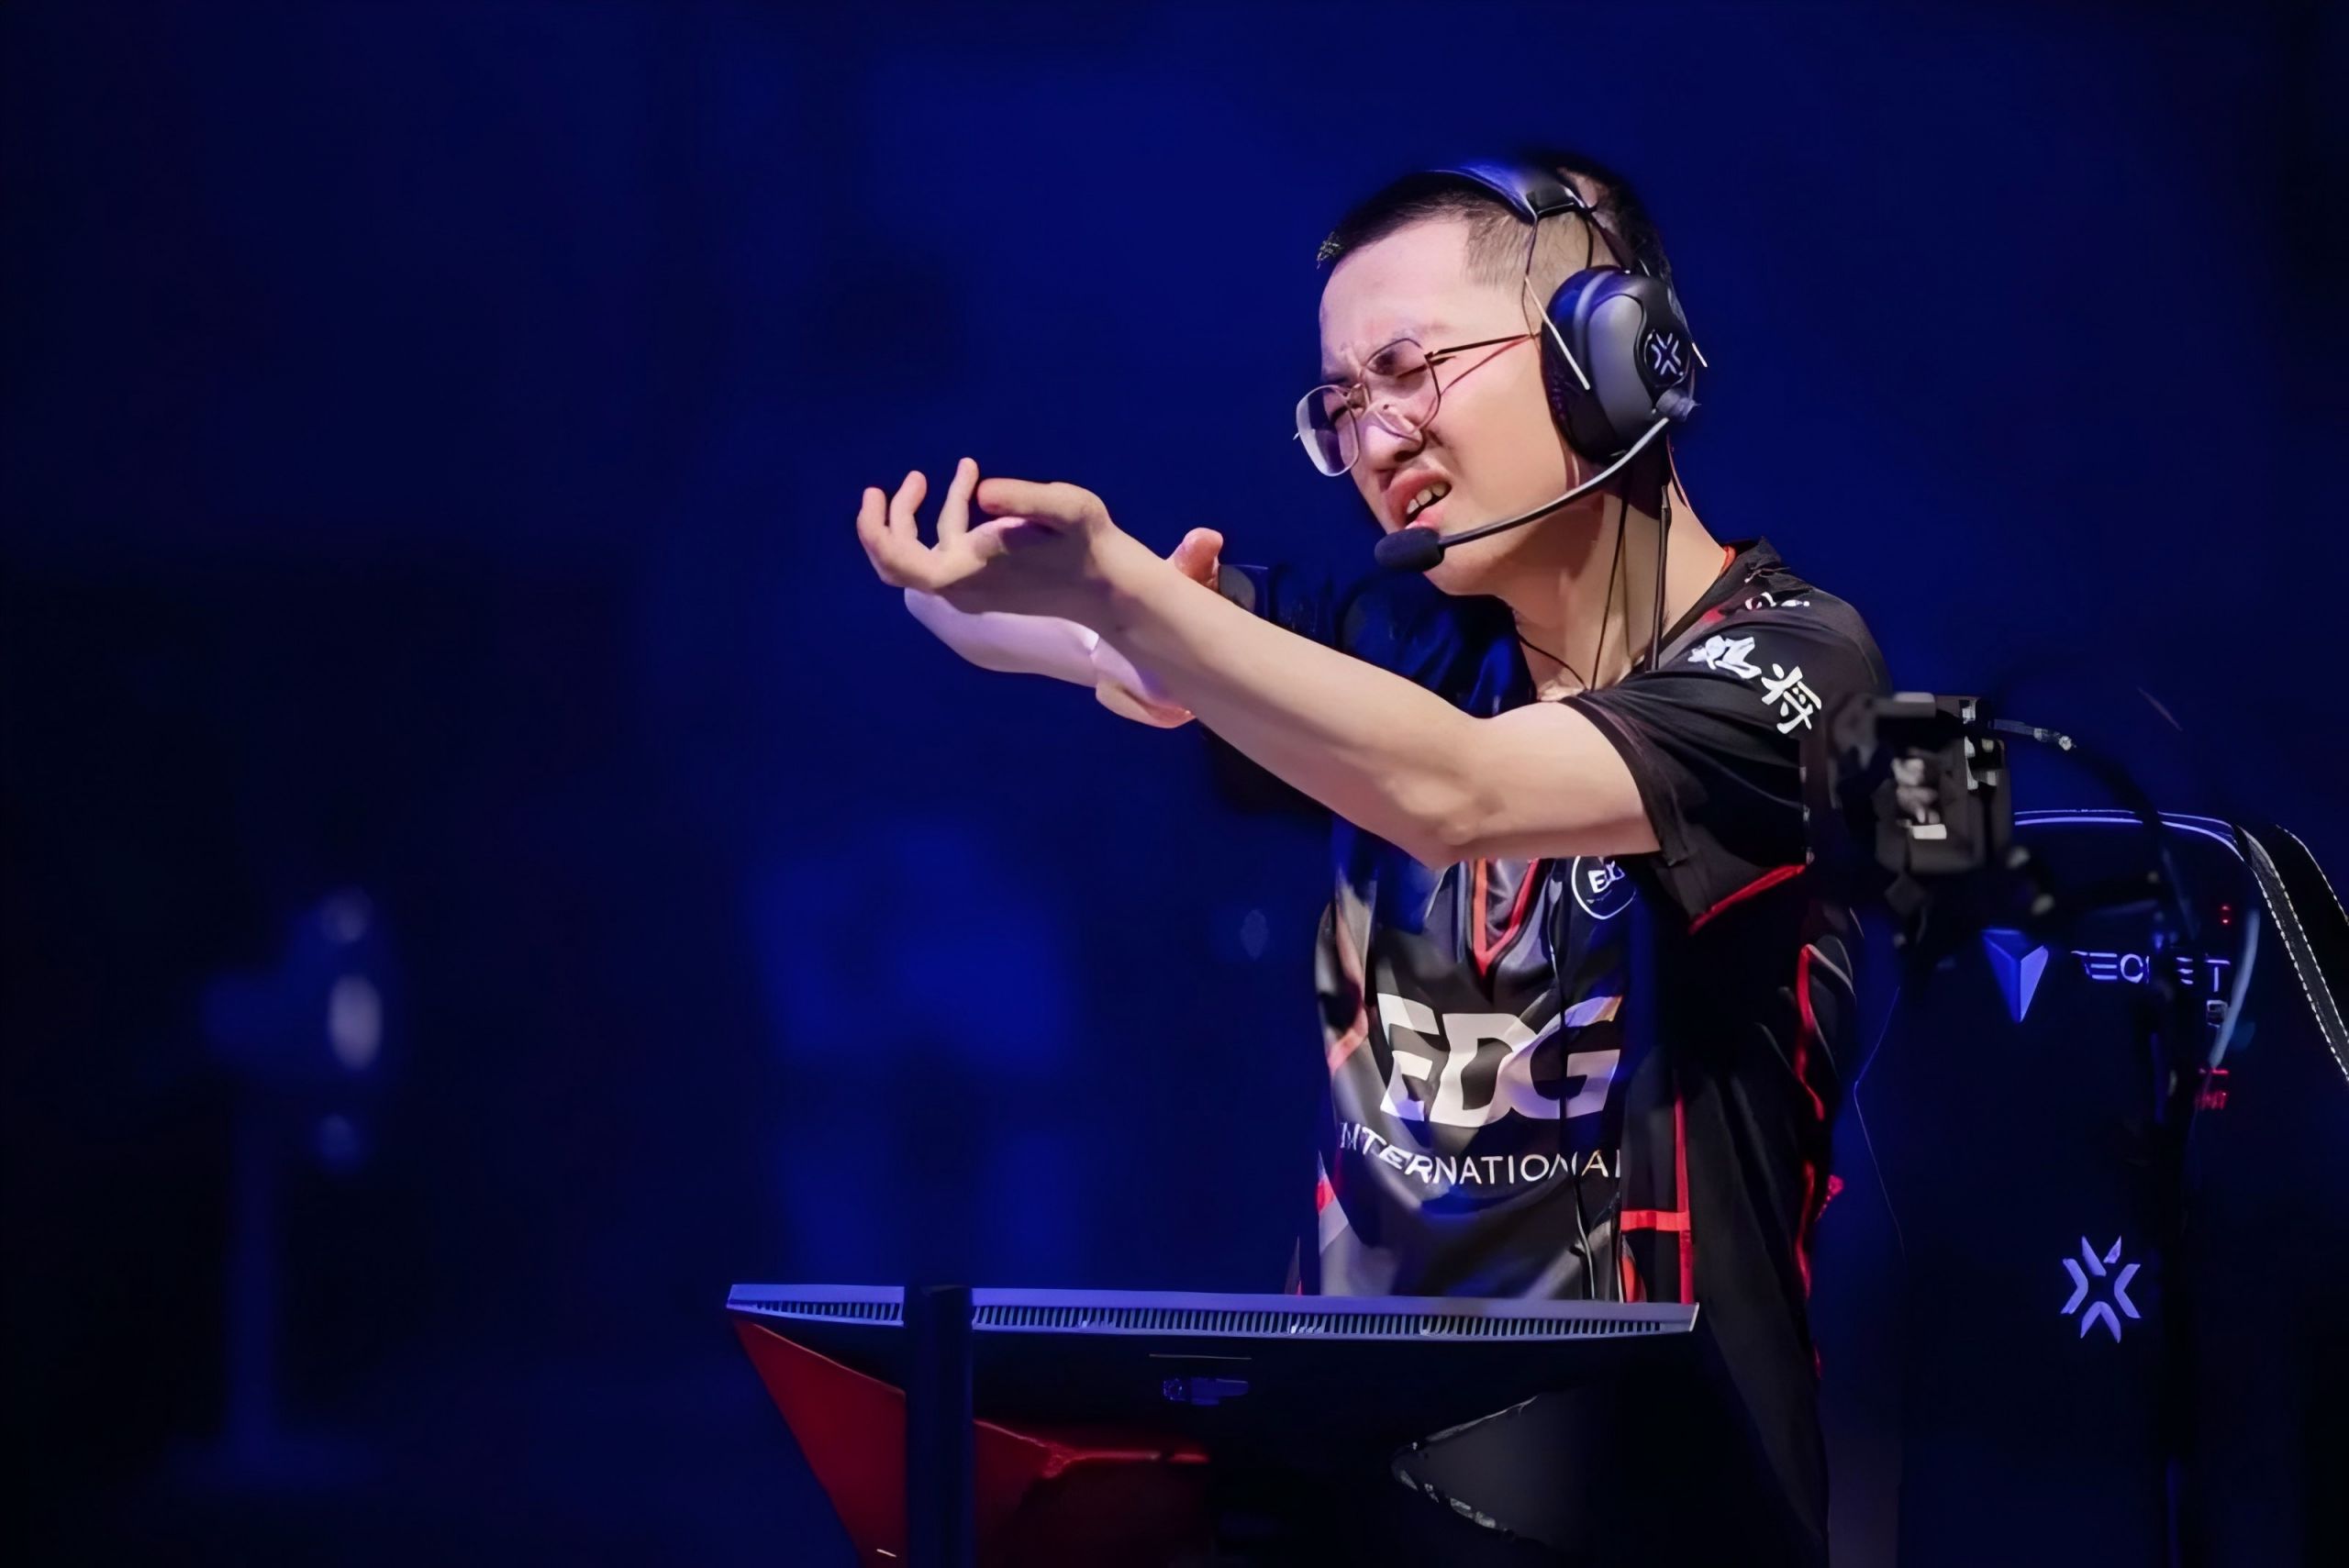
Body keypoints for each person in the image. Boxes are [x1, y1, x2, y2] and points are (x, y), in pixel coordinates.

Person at [854, 149, 1890, 1565]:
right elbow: (1052, 624)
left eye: (1408, 369)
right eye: (1341, 404)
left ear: (1605, 360)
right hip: (1346, 1510)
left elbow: (1458, 790)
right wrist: (976, 594)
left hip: (1656, 1517)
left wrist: (1143, 610)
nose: (1375, 436)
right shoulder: (1399, 644)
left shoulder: (1796, 670)